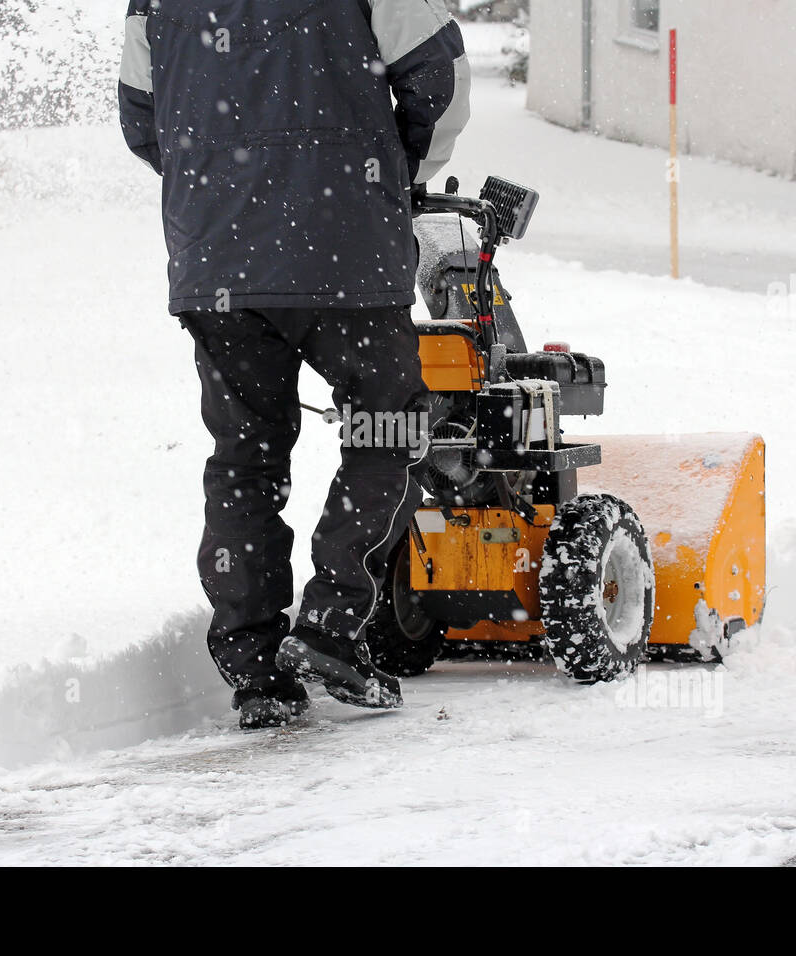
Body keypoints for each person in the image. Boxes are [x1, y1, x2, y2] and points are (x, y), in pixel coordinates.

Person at [119, 0, 470, 729]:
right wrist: (388, 177)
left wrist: (222, 178)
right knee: (386, 429)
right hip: (346, 250)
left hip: (216, 263)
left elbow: (140, 120)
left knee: (243, 457)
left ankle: (255, 672)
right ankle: (329, 628)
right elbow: (442, 84)